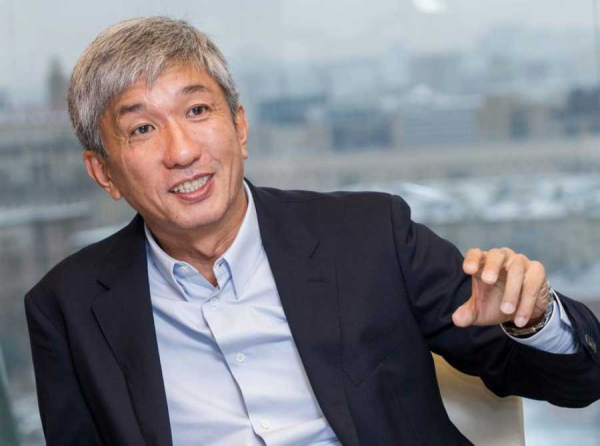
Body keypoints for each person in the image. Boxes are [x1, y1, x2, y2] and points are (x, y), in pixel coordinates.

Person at [25, 17, 600, 446]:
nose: (182, 151)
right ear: (103, 172)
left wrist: (535, 320)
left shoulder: (369, 236)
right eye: (142, 129)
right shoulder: (68, 308)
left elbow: (577, 381)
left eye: (198, 111)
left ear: (240, 127)